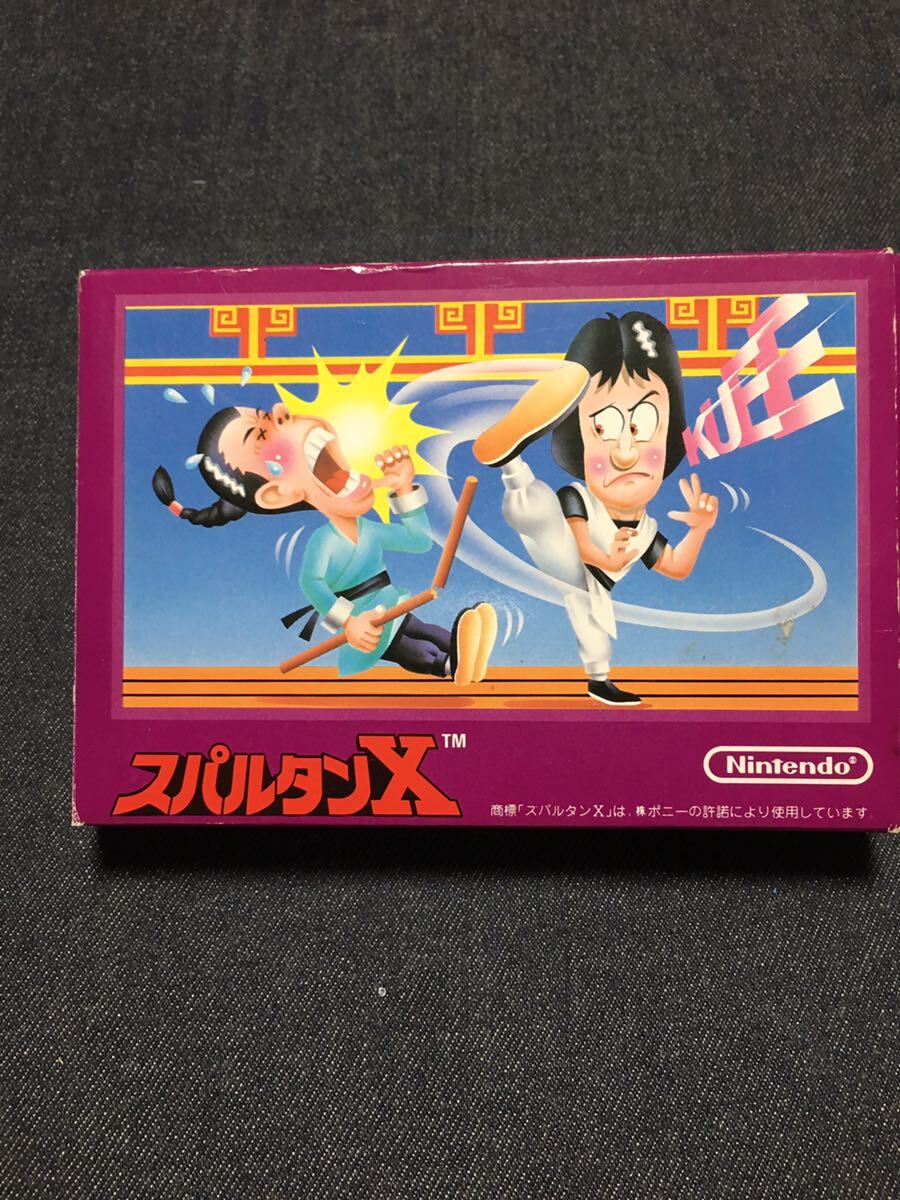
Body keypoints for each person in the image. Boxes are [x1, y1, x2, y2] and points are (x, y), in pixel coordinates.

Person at [152, 399, 496, 683]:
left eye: (271, 415)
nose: (282, 411)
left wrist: (404, 489)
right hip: (367, 623)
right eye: (263, 434)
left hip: (392, 606)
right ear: (278, 493)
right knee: (414, 651)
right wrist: (349, 621)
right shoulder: (324, 541)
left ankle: (468, 656)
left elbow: (418, 541)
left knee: (429, 630)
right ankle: (449, 666)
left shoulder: (368, 530)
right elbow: (312, 585)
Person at [473, 312, 717, 705]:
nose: (625, 453)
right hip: (569, 554)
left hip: (591, 585)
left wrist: (700, 529)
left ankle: (599, 681)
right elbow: (583, 549)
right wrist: (610, 558)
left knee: (591, 623)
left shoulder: (645, 528)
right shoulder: (579, 499)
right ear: (579, 442)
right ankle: (511, 464)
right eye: (603, 428)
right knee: (539, 514)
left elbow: (676, 566)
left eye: (643, 425)